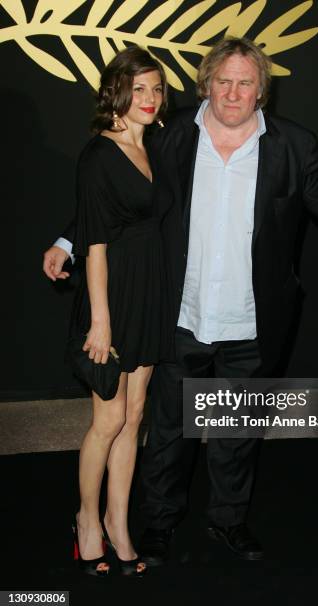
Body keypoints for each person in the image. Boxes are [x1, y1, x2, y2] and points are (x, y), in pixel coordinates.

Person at [43, 37, 318, 565]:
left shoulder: (294, 146)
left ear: (261, 92)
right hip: (178, 312)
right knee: (167, 432)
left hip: (252, 319)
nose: (232, 93)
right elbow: (119, 194)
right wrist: (68, 240)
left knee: (236, 431)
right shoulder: (171, 134)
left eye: (245, 82)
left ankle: (228, 522)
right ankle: (157, 525)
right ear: (207, 84)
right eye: (223, 81)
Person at [65, 46, 173, 576]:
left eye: (157, 89)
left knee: (135, 417)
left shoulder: (153, 146)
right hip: (113, 296)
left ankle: (118, 523)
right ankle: (86, 522)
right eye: (140, 88)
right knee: (107, 418)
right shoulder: (98, 154)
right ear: (117, 91)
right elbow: (96, 244)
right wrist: (100, 320)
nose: (150, 98)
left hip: (151, 290)